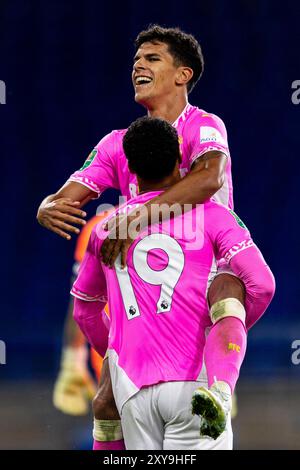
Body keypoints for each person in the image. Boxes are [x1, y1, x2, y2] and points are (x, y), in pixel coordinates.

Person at [37, 25, 245, 450]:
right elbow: (68, 196)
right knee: (106, 402)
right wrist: (46, 206)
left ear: (183, 74)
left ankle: (220, 387)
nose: (138, 66)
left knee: (230, 290)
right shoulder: (121, 144)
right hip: (149, 287)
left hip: (204, 275)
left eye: (152, 59)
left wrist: (132, 220)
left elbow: (208, 179)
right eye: (136, 61)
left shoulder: (204, 126)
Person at [71, 117, 275, 449]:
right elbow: (261, 285)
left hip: (133, 395)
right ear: (181, 159)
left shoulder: (106, 230)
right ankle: (220, 392)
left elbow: (85, 311)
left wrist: (114, 355)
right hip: (197, 386)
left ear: (132, 172)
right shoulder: (213, 215)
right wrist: (225, 336)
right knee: (228, 282)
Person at [53, 214, 109, 416]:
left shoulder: (104, 224)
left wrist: (72, 360)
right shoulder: (201, 218)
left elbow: (83, 300)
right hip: (189, 371)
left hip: (118, 372)